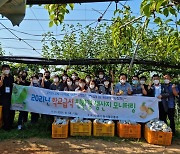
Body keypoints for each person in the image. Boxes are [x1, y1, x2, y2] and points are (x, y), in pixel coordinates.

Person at [0, 64, 15, 131]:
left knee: (12, 111)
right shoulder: (1, 77)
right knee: (6, 111)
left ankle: (11, 124)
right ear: (2, 70)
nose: (6, 70)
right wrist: (2, 78)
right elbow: (0, 85)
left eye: (7, 68)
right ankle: (6, 126)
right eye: (5, 69)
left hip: (11, 96)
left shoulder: (11, 77)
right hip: (4, 97)